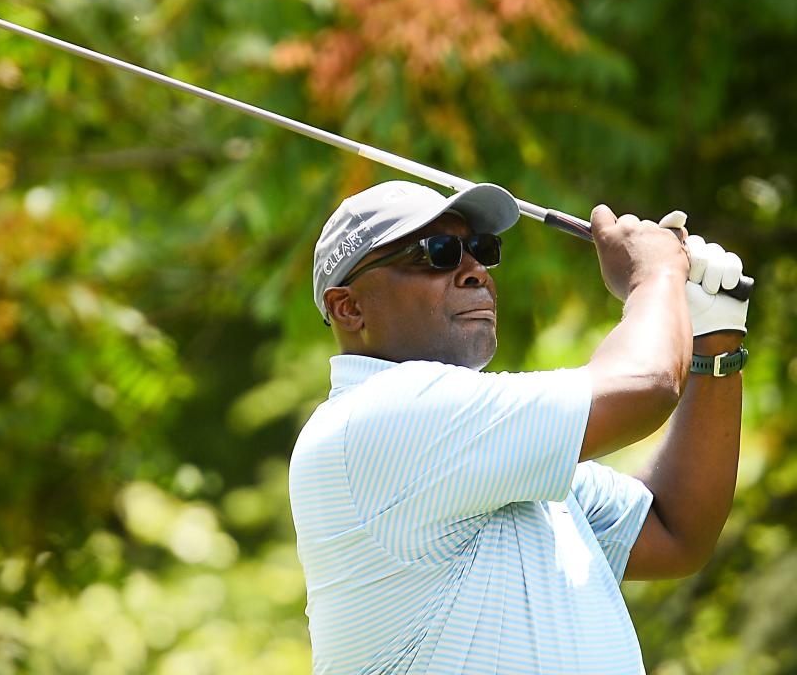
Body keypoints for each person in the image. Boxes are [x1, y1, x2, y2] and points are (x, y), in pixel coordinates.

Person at [289, 180, 749, 675]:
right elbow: (645, 385)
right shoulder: (376, 418)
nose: (476, 273)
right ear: (349, 307)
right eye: (437, 253)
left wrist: (713, 342)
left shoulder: (487, 447)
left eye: (482, 250)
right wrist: (655, 276)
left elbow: (674, 531)